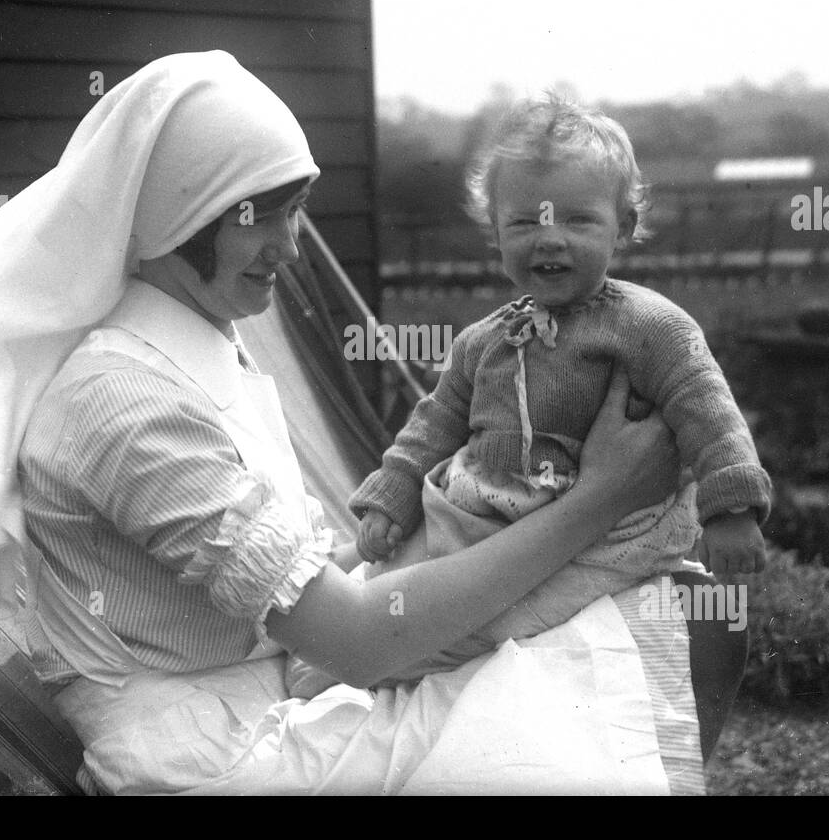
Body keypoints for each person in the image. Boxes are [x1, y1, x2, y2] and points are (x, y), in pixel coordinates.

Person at [0, 52, 704, 795]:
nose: (288, 247)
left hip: (265, 690)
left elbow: (316, 580)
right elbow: (357, 640)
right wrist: (600, 500)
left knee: (608, 633)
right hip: (210, 759)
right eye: (258, 217)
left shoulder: (194, 350)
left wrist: (461, 518)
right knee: (588, 676)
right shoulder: (122, 404)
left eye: (296, 214)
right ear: (181, 209)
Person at [329, 96, 772, 683]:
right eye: (524, 222)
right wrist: (394, 490)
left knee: (473, 638)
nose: (550, 239)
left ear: (624, 229)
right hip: (477, 516)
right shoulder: (482, 341)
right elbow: (433, 423)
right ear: (495, 233)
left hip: (594, 532)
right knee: (385, 596)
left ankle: (411, 671)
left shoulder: (650, 326)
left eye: (578, 219)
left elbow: (709, 412)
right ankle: (354, 661)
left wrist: (732, 510)